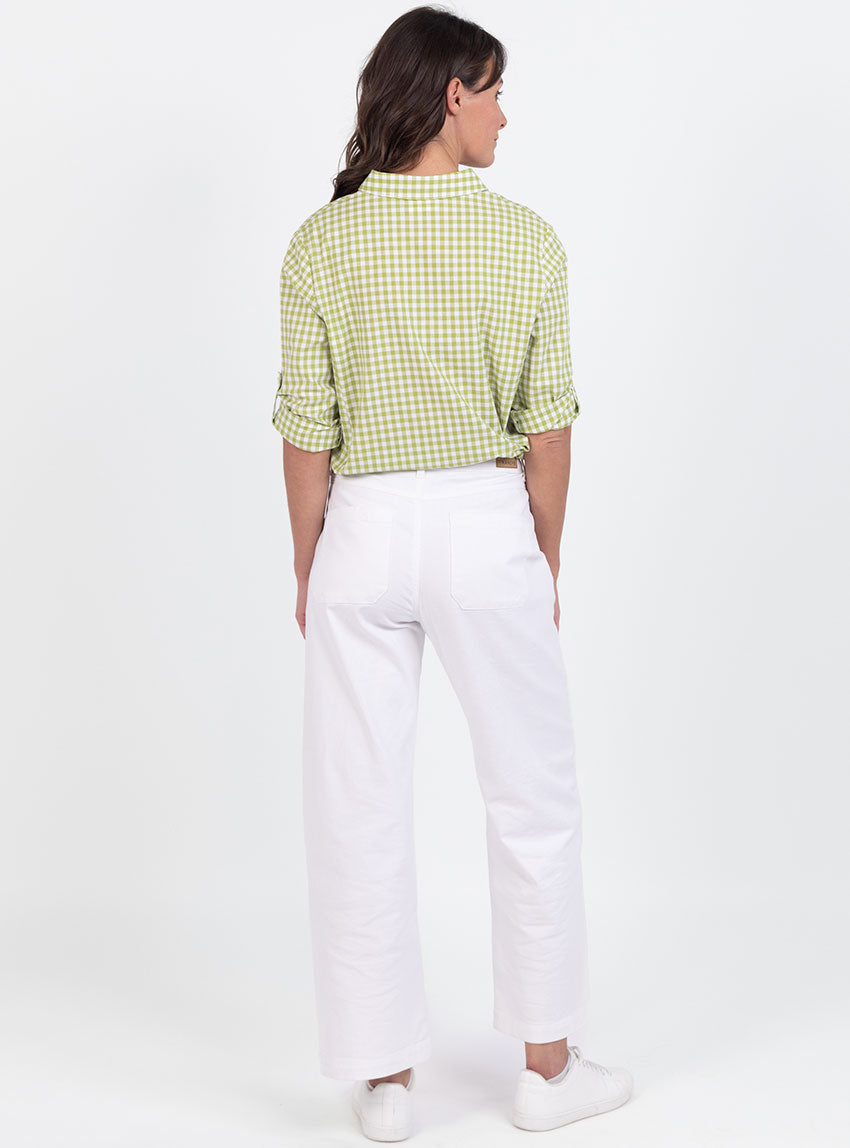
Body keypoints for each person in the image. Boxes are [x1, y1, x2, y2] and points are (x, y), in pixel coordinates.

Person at [272, 5, 633, 1140]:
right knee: (533, 793)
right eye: (495, 91)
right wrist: (543, 559)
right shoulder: (525, 240)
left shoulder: (321, 242)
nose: (505, 115)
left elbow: (306, 435)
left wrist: (310, 566)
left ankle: (385, 1081)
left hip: (362, 528)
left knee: (356, 802)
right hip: (485, 523)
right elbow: (548, 428)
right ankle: (546, 1069)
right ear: (451, 96)